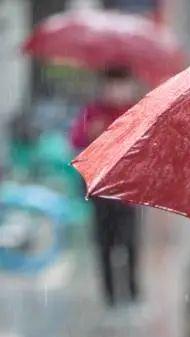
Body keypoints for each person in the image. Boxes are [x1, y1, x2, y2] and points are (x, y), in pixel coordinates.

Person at [70, 67, 140, 307]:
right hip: (100, 190)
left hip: (128, 191)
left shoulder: (135, 112)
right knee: (104, 244)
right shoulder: (93, 113)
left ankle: (132, 293)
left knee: (129, 244)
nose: (117, 91)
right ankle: (110, 296)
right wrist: (92, 133)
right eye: (112, 86)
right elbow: (76, 141)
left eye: (122, 85)